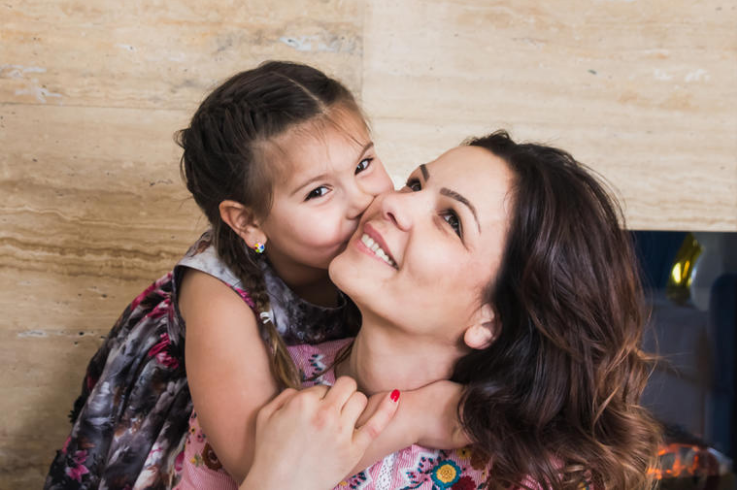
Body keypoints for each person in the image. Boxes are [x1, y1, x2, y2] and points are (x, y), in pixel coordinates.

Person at [44, 61, 463, 490]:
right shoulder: (217, 295)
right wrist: (416, 416)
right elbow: (259, 465)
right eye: (318, 191)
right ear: (248, 222)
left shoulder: (364, 240)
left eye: (363, 164)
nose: (363, 201)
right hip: (213, 415)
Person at [186, 131, 663, 489]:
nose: (393, 203)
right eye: (415, 183)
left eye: (451, 220)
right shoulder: (259, 386)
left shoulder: (537, 475)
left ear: (490, 320)